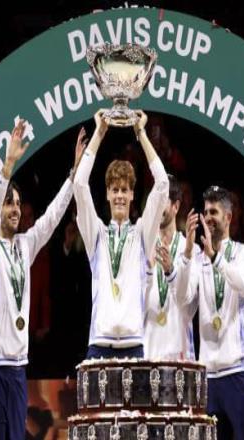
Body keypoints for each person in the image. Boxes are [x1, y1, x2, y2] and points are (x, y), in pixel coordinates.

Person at [0, 121, 85, 439]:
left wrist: (73, 174)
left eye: (17, 203)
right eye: (8, 203)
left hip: (18, 367)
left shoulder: (25, 245)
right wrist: (7, 167)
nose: (14, 209)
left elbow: (51, 217)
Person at [73, 110, 169, 360]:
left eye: (124, 190)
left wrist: (141, 133)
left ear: (132, 195)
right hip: (98, 343)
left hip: (133, 343)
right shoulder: (97, 234)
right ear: (107, 194)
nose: (119, 196)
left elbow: (162, 185)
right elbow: (79, 185)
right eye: (114, 189)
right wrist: (99, 132)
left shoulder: (142, 234)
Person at [178, 185, 244, 439]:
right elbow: (184, 302)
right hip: (209, 376)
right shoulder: (198, 260)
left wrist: (216, 259)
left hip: (239, 370)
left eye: (214, 212)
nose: (208, 218)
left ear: (228, 217)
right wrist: (187, 254)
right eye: (205, 212)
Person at [143, 174, 196, 360]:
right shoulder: (143, 247)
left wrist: (171, 271)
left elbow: (187, 302)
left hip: (179, 357)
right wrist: (148, 273)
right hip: (147, 354)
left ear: (176, 206)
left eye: (163, 200)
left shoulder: (191, 250)